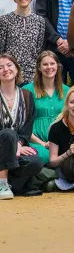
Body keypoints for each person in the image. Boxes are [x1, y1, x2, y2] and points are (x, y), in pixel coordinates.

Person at [0, 55, 43, 199]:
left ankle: (10, 184)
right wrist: (11, 143)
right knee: (8, 134)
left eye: (9, 65)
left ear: (17, 69)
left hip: (16, 151)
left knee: (36, 162)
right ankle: (3, 183)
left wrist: (19, 143)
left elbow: (27, 126)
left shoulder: (27, 95)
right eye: (0, 67)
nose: (6, 69)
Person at [23, 51, 69, 165]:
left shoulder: (67, 91)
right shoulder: (27, 90)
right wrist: (42, 143)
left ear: (57, 66)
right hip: (36, 141)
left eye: (52, 64)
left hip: (61, 140)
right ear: (39, 67)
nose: (49, 67)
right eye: (45, 64)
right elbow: (23, 123)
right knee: (44, 156)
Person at [0, 0, 45, 83]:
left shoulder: (40, 21)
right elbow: (1, 51)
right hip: (11, 75)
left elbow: (38, 51)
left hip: (32, 77)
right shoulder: (4, 20)